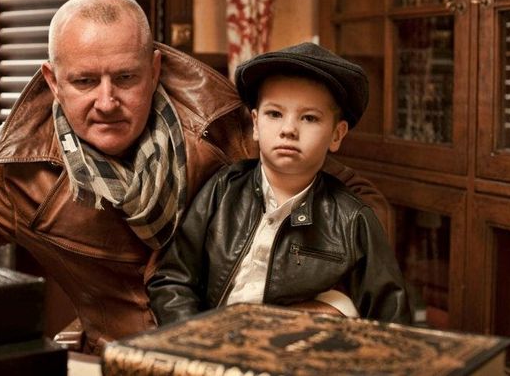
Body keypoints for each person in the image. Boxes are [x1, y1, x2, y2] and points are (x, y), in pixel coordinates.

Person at [0, 0, 397, 354]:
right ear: (53, 82)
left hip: (234, 358)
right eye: (84, 81)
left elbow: (356, 201)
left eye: (125, 78)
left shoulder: (227, 128)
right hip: (118, 362)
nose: (106, 101)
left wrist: (323, 302)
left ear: (154, 69)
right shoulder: (14, 169)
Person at [147, 42, 411, 326]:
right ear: (255, 124)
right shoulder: (223, 190)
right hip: (207, 345)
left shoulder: (353, 219)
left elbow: (392, 321)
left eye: (309, 118)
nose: (288, 130)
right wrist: (195, 339)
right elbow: (172, 281)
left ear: (337, 134)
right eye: (274, 114)